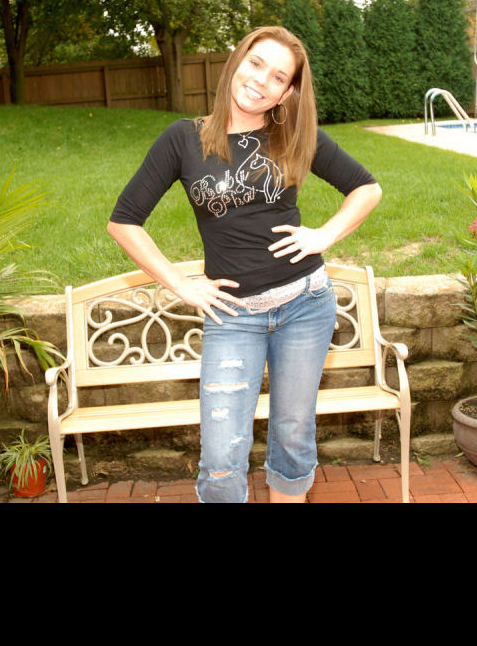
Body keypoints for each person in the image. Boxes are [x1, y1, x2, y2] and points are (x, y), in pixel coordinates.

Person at [107, 26, 381, 503]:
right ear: (236, 61)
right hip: (232, 317)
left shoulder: (293, 136)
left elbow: (366, 188)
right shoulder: (184, 138)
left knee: (293, 436)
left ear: (287, 92)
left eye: (278, 77)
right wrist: (181, 284)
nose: (261, 81)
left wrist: (324, 235)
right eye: (256, 64)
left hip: (305, 305)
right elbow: (124, 221)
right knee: (220, 455)